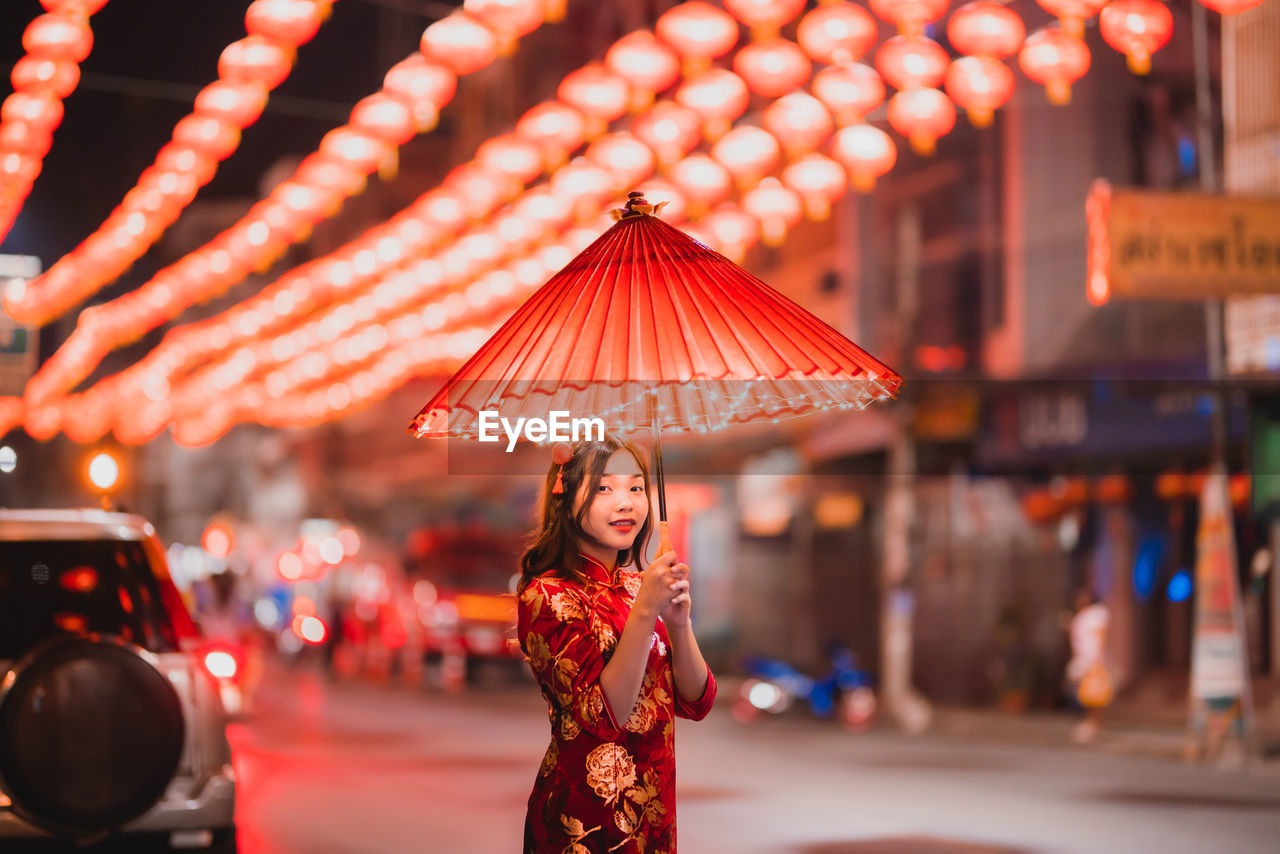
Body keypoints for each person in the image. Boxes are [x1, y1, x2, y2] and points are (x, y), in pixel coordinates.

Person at [516, 435, 717, 854]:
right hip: (584, 825)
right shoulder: (548, 597)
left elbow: (697, 702)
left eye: (636, 487)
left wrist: (679, 625)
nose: (625, 502)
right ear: (566, 499)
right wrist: (645, 613)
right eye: (604, 488)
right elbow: (604, 716)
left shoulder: (636, 587)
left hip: (654, 816)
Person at [1066, 586, 1111, 744]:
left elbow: (1101, 635)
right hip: (1083, 658)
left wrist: (1097, 658)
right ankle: (1089, 722)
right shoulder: (1084, 615)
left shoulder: (1097, 614)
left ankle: (1094, 723)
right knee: (1085, 693)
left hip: (1092, 659)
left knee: (1094, 694)